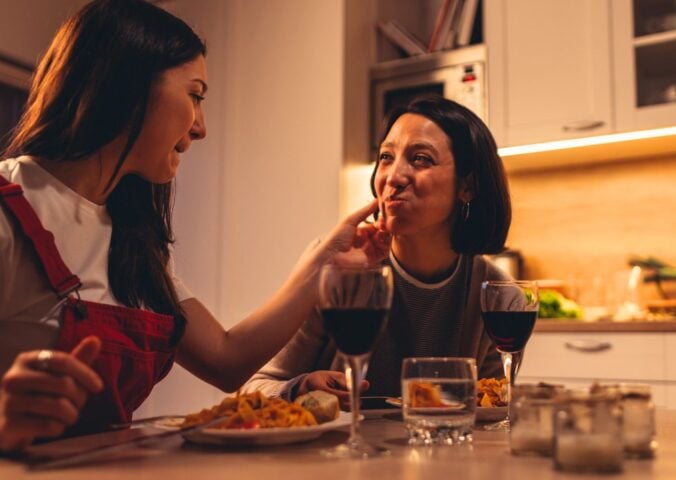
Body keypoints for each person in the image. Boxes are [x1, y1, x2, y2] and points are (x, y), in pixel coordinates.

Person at [0, 0, 390, 452]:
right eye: (195, 95)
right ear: (129, 87)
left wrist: (325, 260)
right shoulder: (11, 209)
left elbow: (226, 360)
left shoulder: (132, 239)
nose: (201, 126)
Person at [244, 95, 512, 407]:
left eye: (421, 158)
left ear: (468, 186)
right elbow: (254, 387)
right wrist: (300, 387)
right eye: (386, 157)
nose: (393, 177)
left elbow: (492, 406)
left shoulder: (494, 293)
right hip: (338, 453)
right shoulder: (338, 268)